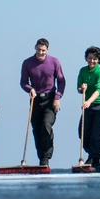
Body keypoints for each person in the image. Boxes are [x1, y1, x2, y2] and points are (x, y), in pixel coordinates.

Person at [19, 38, 66, 167]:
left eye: (43, 51)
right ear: (35, 48)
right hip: (35, 99)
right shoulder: (27, 63)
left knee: (46, 125)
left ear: (47, 50)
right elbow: (23, 82)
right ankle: (41, 158)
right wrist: (30, 89)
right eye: (39, 50)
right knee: (37, 129)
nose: (41, 53)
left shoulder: (54, 61)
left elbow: (61, 81)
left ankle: (46, 157)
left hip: (50, 99)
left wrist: (57, 98)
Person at [78, 46, 100, 171]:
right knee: (83, 134)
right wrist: (81, 88)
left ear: (98, 59)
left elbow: (99, 89)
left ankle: (95, 160)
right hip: (88, 107)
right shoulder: (82, 71)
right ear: (86, 58)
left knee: (96, 135)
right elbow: (79, 89)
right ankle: (93, 154)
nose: (92, 61)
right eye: (90, 58)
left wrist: (89, 101)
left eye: (95, 59)